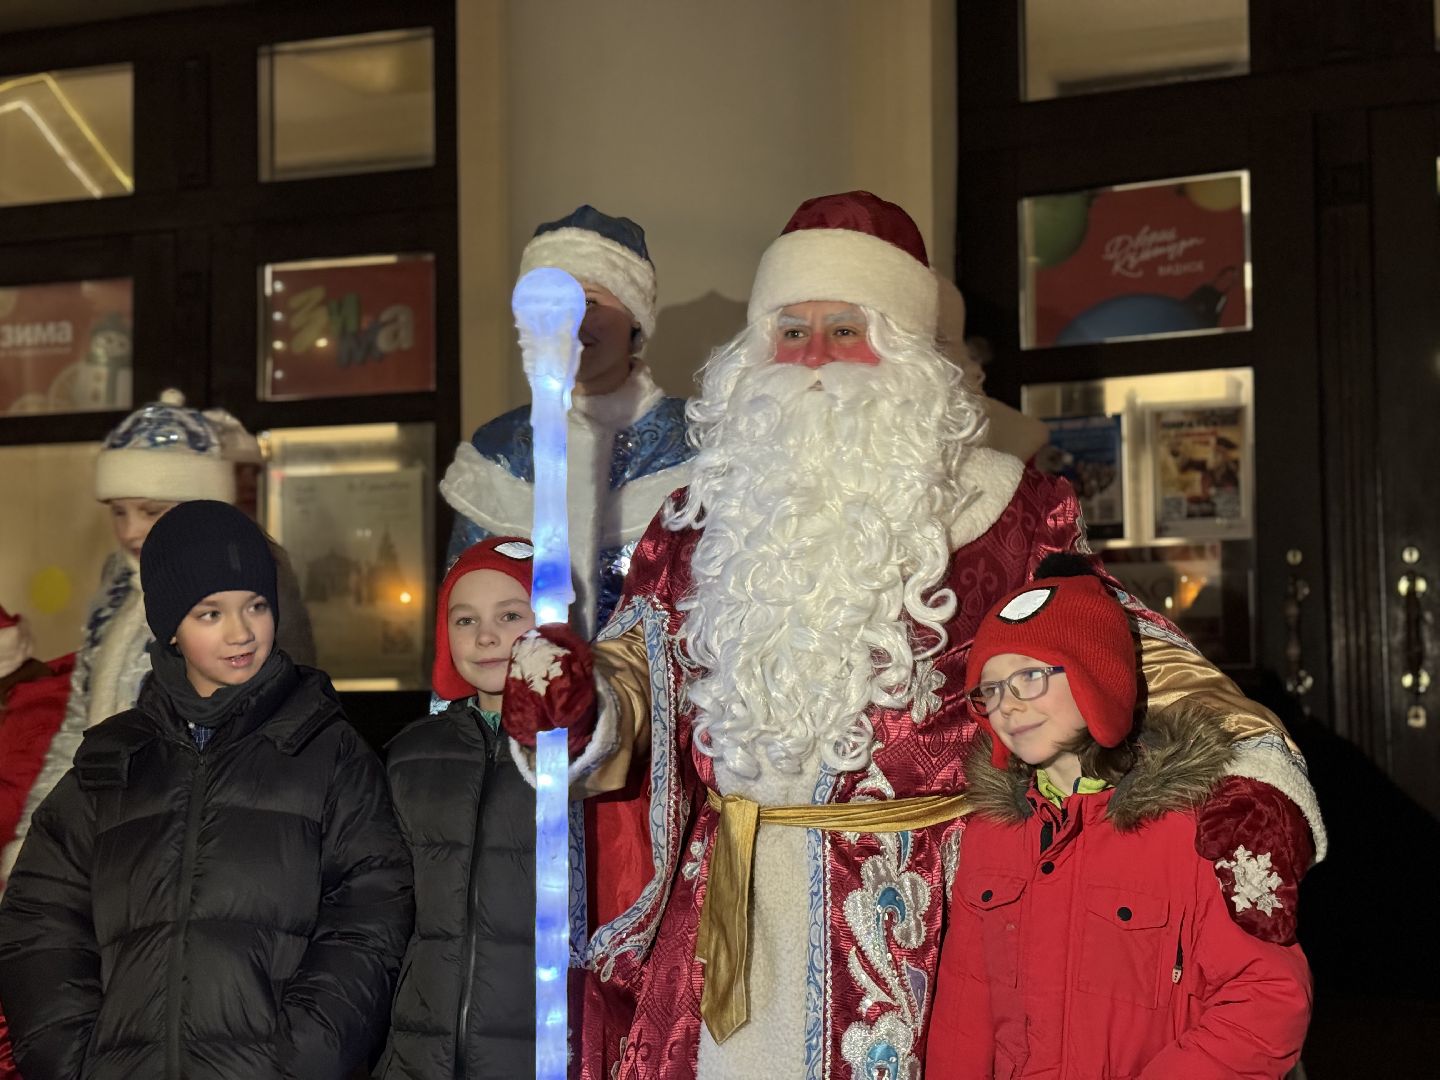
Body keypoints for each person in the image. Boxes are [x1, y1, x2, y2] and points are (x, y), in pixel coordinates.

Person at [496, 192, 1325, 1080]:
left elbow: (1135, 653)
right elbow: (639, 669)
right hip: (722, 927)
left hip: (929, 924)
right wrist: (580, 703)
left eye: (846, 330)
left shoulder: (1002, 511)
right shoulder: (698, 519)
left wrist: (1254, 781)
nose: (814, 357)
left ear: (905, 350)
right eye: (791, 330)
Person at [0, 500, 412, 1080]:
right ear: (171, 626)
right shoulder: (112, 762)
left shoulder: (328, 752)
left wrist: (305, 1055)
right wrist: (72, 1061)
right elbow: (40, 919)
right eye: (210, 613)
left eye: (256, 606)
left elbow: (372, 911)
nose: (241, 632)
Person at [926, 555, 1312, 1079]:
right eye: (989, 689)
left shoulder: (1190, 828)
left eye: (1030, 677)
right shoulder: (992, 834)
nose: (1007, 706)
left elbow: (1267, 999)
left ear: (1095, 676)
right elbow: (963, 1008)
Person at [0, 392, 314, 886]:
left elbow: (271, 724)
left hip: (197, 843)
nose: (130, 531)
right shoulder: (118, 582)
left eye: (150, 511)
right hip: (104, 825)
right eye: (118, 512)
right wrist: (39, 837)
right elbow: (80, 721)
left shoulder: (249, 575)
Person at [439, 205, 693, 637]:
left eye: (589, 301)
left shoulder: (696, 439)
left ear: (635, 316)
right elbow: (464, 616)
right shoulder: (500, 451)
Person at [376, 536, 551, 1079]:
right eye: (465, 620)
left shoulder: (583, 755)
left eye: (510, 615)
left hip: (535, 1051)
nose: (486, 636)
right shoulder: (411, 756)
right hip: (417, 1053)